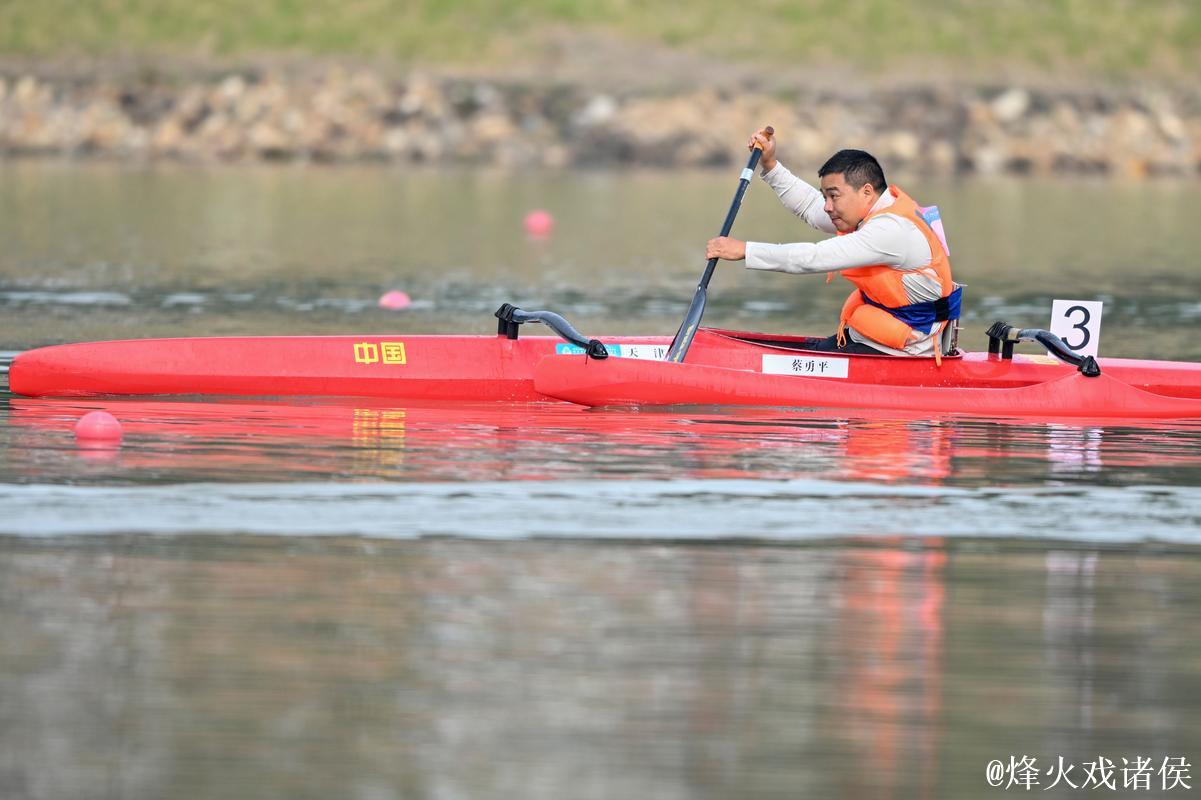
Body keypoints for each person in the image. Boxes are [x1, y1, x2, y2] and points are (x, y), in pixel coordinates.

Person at [706, 129, 962, 358]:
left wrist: (744, 250)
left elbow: (813, 258)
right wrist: (771, 165)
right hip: (876, 339)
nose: (827, 206)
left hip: (907, 350)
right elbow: (809, 206)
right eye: (825, 196)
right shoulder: (874, 211)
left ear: (866, 191)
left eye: (833, 196)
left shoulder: (891, 231)